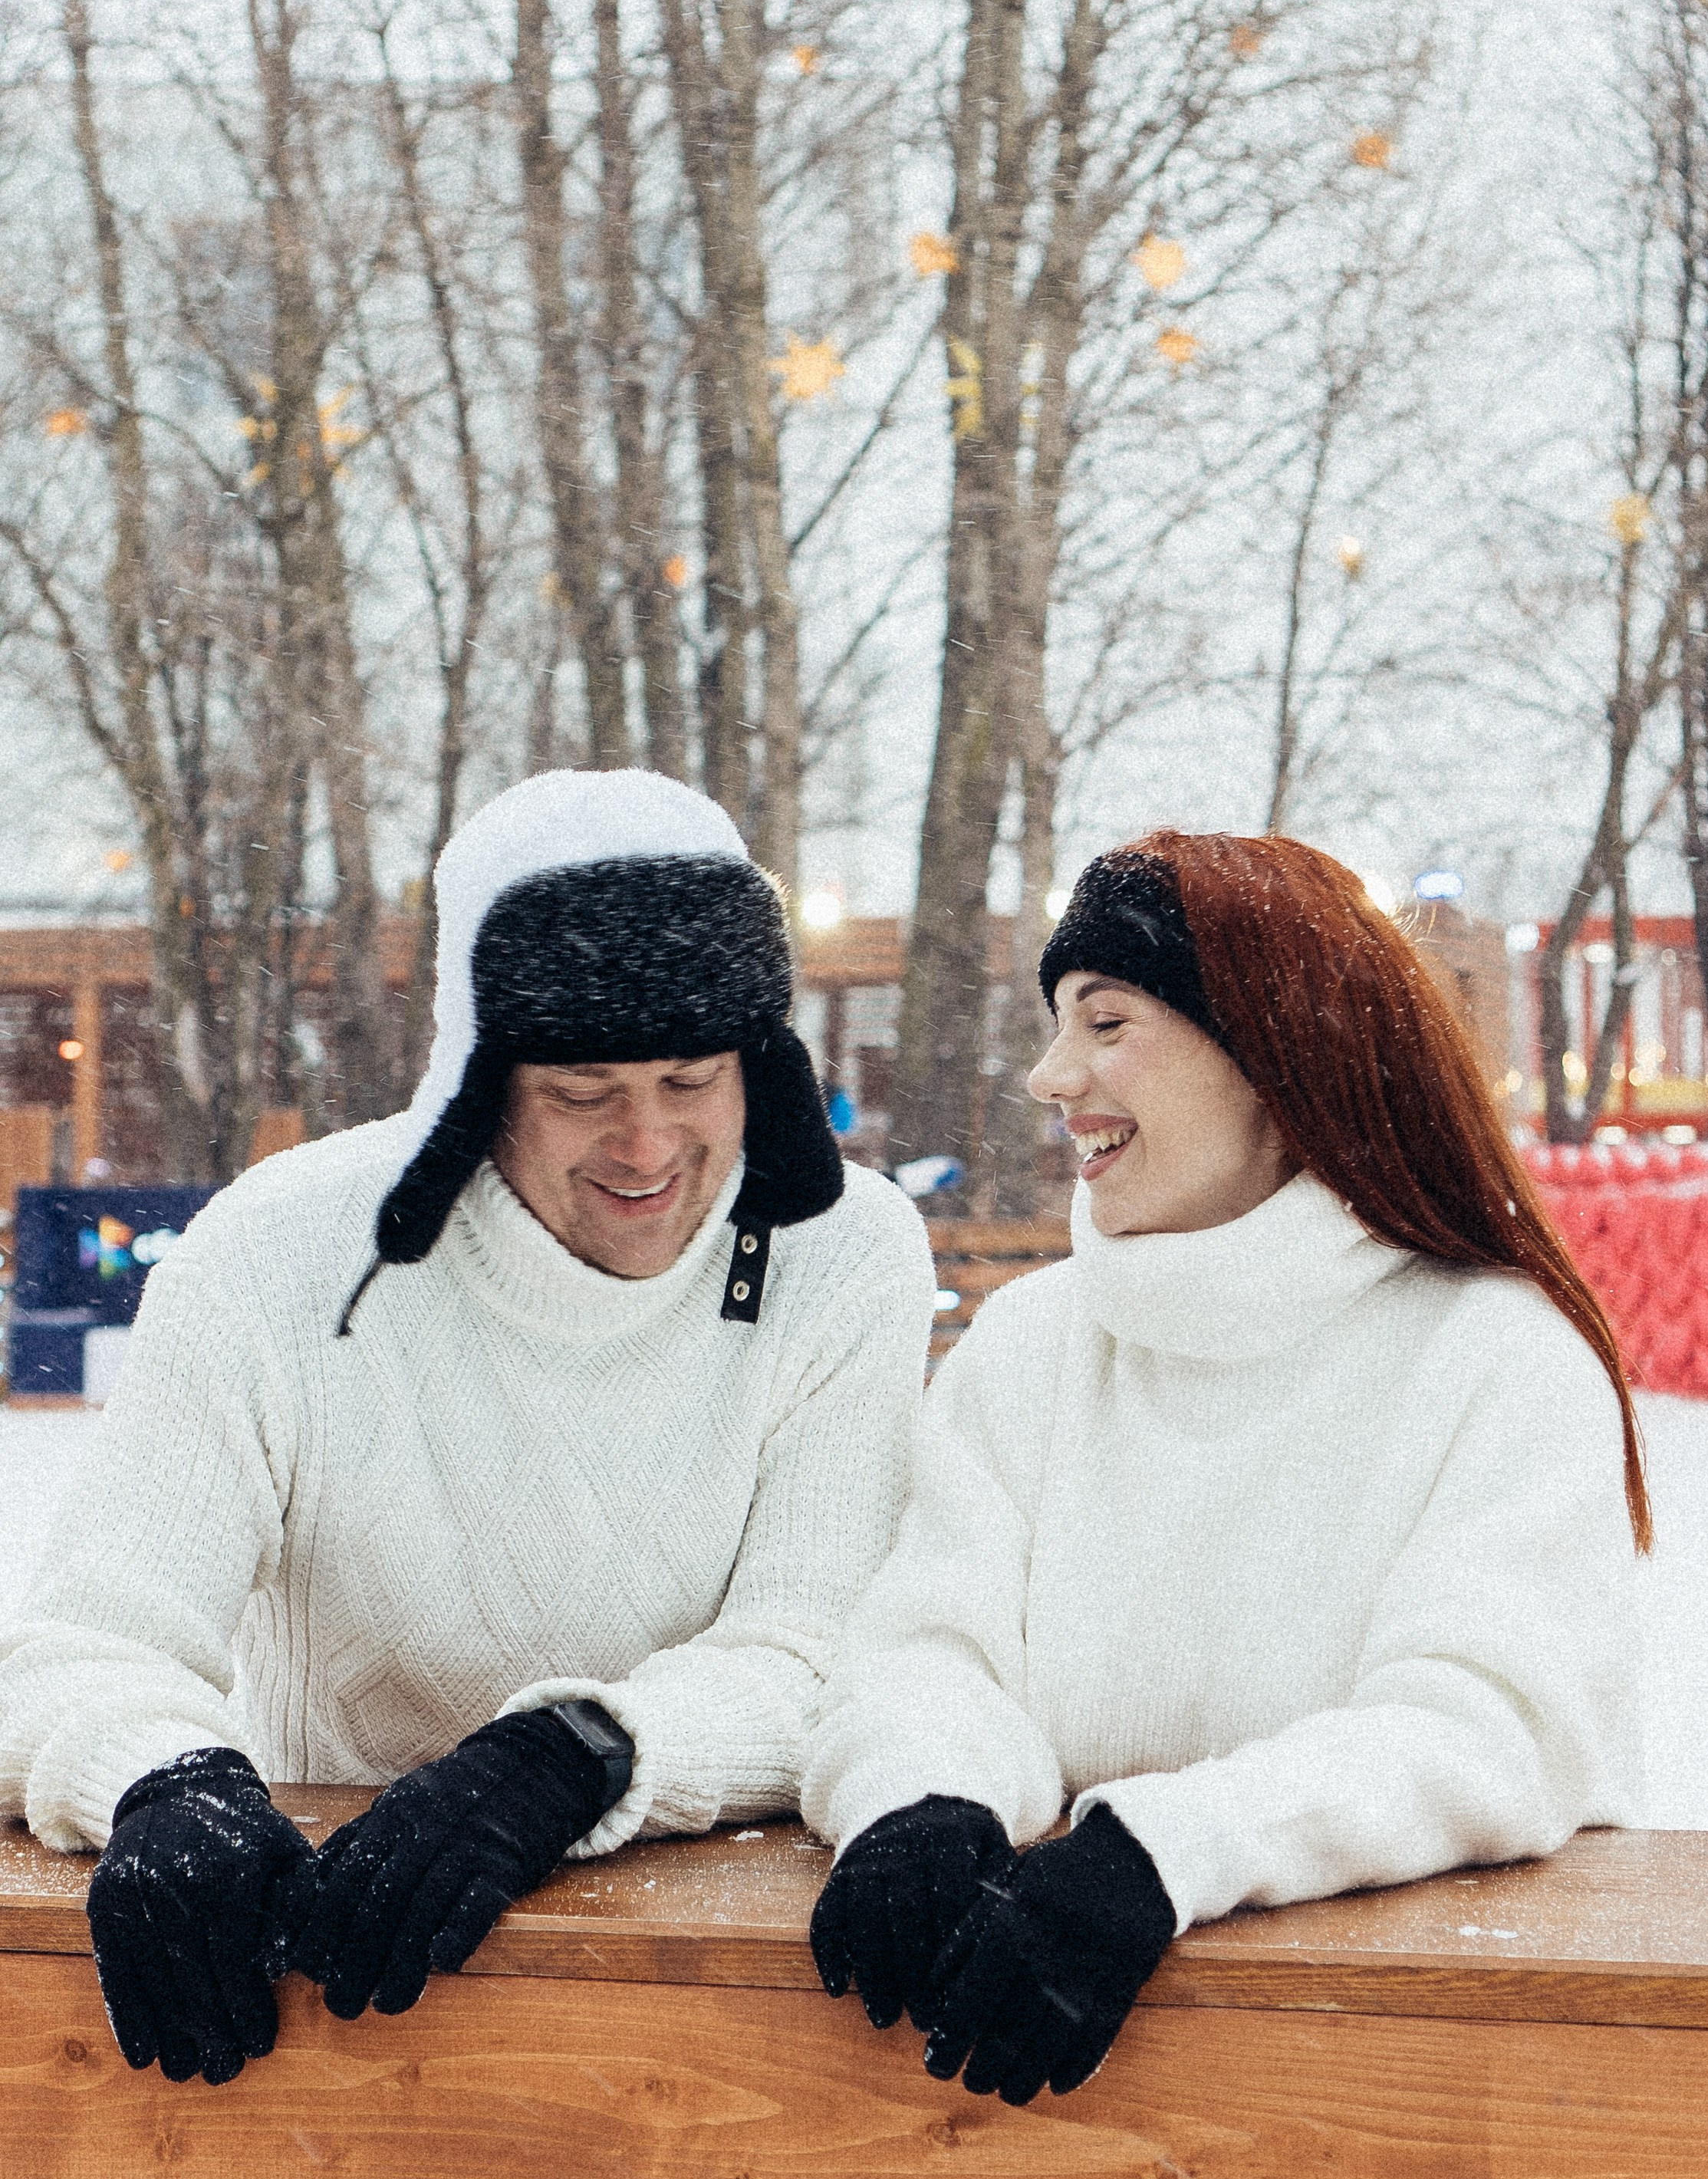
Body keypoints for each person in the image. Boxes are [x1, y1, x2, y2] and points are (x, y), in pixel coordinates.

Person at [0, 770, 935, 2085]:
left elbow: (820, 1647)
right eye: (582, 1087)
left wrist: (579, 1756)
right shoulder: (279, 1257)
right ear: (478, 1080)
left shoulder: (846, 1257)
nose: (648, 1144)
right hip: (344, 1993)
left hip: (714, 2009)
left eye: (693, 1077)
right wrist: (160, 1780)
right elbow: (85, 1642)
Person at [804, 830, 1646, 2108]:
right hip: (1018, 2130)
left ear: (1268, 1052)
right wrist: (923, 1795)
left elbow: (1488, 1729)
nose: (1050, 1074)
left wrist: (1169, 1853)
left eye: (1106, 1022)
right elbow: (929, 1648)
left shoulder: (1495, 1357)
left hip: (1408, 2113)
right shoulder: (1033, 1345)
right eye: (1054, 1026)